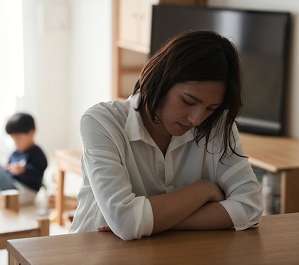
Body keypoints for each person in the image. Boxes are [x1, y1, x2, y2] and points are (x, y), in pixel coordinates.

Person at [69, 30, 263, 240]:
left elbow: (249, 207)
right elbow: (126, 222)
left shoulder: (217, 124)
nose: (197, 119)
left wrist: (155, 223)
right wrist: (204, 190)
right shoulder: (101, 122)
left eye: (211, 108)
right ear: (161, 80)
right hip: (92, 252)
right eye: (188, 101)